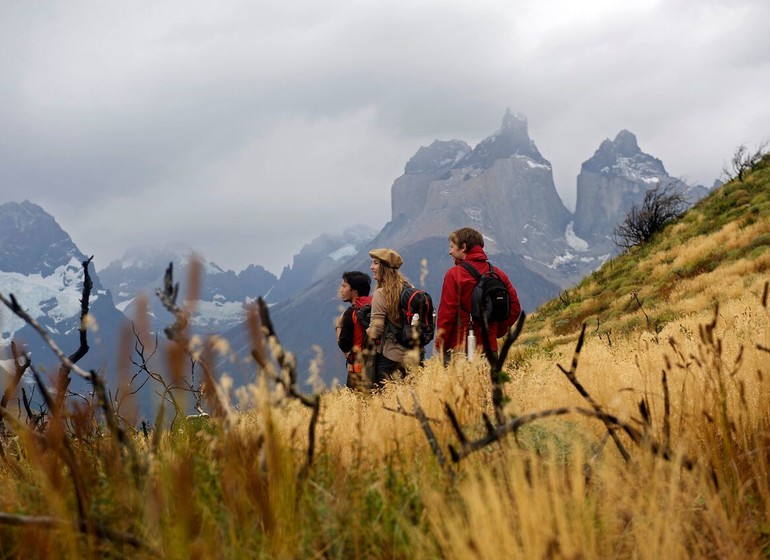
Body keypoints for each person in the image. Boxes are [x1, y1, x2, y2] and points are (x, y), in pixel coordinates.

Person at [435, 227, 522, 363]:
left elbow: (447, 315)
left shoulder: (454, 275)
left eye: (452, 247)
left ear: (463, 247)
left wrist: (440, 345)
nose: (450, 251)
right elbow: (515, 307)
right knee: (485, 384)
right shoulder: (497, 274)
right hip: (489, 349)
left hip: (459, 350)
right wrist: (495, 332)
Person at [365, 248, 419, 385]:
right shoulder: (409, 288)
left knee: (387, 401)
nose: (371, 267)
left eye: (376, 263)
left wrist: (366, 329)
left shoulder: (381, 294)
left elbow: (376, 331)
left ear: (384, 267)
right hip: (413, 356)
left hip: (390, 358)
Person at [336, 271, 372, 391]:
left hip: (357, 371)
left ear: (354, 291)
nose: (341, 290)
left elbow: (344, 345)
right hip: (376, 366)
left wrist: (338, 326)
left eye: (344, 286)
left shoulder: (350, 313)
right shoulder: (375, 306)